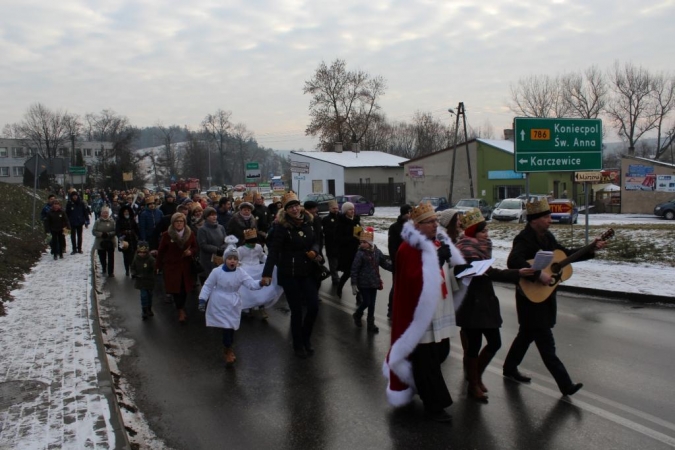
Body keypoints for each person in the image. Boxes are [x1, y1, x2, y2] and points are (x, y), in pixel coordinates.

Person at [502, 198, 606, 396]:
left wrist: (590, 249)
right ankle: (565, 384)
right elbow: (513, 261)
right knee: (546, 344)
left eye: (550, 216)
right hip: (530, 297)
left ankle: (509, 368)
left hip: (545, 295)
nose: (550, 220)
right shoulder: (524, 239)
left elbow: (564, 256)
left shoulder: (548, 238)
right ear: (534, 220)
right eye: (546, 217)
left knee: (526, 335)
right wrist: (536, 273)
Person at [383, 202, 466, 423]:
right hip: (420, 314)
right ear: (418, 225)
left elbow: (444, 274)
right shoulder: (407, 247)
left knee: (440, 352)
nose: (435, 225)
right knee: (427, 359)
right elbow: (412, 279)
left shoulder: (435, 242)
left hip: (439, 309)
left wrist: (457, 268)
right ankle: (434, 405)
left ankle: (421, 386)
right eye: (431, 222)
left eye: (436, 221)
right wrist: (437, 260)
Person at [455, 208, 535, 402]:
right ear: (473, 232)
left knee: (495, 342)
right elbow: (489, 272)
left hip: (486, 301)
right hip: (471, 303)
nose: (487, 235)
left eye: (487, 231)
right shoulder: (464, 249)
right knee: (473, 346)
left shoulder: (482, 248)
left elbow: (488, 272)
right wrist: (518, 273)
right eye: (483, 231)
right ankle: (473, 385)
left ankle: (476, 376)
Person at [261, 192, 322, 359]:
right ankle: (298, 344)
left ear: (300, 206)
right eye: (290, 207)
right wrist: (267, 274)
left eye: (296, 205)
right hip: (289, 274)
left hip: (307, 271)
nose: (294, 209)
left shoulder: (309, 222)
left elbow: (316, 240)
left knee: (313, 307)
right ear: (286, 210)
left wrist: (315, 251)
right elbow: (273, 251)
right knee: (296, 311)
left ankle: (306, 337)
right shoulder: (281, 227)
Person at [198, 238, 266, 365]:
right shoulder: (216, 272)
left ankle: (228, 347)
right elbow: (207, 286)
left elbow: (250, 284)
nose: (232, 261)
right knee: (226, 327)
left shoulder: (240, 272)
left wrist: (260, 283)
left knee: (232, 326)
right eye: (230, 258)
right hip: (219, 301)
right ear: (225, 259)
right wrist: (202, 300)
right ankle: (228, 349)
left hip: (233, 302)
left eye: (235, 259)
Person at [156, 212, 199, 323]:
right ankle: (180, 310)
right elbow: (161, 251)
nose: (179, 224)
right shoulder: (167, 235)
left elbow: (195, 247)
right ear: (173, 223)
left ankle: (181, 306)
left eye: (181, 221)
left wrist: (191, 251)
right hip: (172, 266)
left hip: (186, 266)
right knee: (176, 289)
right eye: (177, 221)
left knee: (184, 289)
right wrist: (158, 265)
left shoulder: (190, 233)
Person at [350, 227, 392, 333]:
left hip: (374, 282)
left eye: (364, 242)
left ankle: (370, 324)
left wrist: (394, 268)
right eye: (361, 242)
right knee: (367, 302)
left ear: (370, 243)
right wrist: (354, 283)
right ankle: (357, 314)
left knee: (372, 304)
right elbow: (354, 268)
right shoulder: (360, 253)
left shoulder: (377, 252)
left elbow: (384, 263)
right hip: (363, 283)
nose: (362, 244)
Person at [387, 204, 412, 317]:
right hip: (399, 262)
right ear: (404, 214)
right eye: (408, 213)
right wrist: (395, 261)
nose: (410, 215)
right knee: (396, 286)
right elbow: (392, 247)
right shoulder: (395, 227)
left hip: (410, 261)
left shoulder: (413, 226)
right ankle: (391, 308)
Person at [237, 228, 268, 320]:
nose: (253, 244)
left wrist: (269, 262)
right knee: (247, 292)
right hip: (246, 271)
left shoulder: (258, 247)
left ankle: (262, 307)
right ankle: (248, 308)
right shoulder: (241, 249)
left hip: (257, 270)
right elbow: (237, 259)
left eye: (254, 242)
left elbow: (262, 256)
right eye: (251, 242)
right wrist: (239, 265)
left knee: (260, 291)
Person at [336, 202, 362, 301]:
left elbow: (359, 233)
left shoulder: (356, 220)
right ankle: (339, 288)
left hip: (356, 251)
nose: (352, 211)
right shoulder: (341, 223)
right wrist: (352, 238)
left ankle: (359, 296)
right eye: (350, 209)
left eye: (353, 209)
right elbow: (338, 239)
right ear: (345, 211)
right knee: (348, 273)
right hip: (346, 252)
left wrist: (363, 236)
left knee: (357, 273)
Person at [197, 207, 227, 283]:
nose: (214, 217)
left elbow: (225, 240)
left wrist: (223, 248)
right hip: (208, 259)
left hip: (220, 257)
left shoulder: (221, 227)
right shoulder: (202, 230)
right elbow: (203, 244)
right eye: (211, 215)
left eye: (215, 215)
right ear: (206, 217)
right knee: (211, 279)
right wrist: (216, 249)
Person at [130, 241, 156, 320]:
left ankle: (149, 308)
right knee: (143, 295)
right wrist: (134, 273)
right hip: (140, 281)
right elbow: (132, 267)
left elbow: (155, 266)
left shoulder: (150, 259)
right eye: (140, 252)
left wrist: (156, 269)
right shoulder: (136, 259)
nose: (142, 254)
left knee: (150, 295)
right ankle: (144, 310)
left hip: (149, 280)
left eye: (144, 252)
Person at [92, 206, 117, 277]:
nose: (105, 214)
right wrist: (101, 234)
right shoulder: (97, 222)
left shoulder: (112, 221)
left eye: (107, 213)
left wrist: (109, 234)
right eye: (104, 213)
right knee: (102, 256)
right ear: (101, 213)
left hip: (110, 241)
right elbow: (94, 231)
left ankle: (110, 272)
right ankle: (104, 267)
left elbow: (115, 231)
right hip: (100, 242)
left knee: (111, 257)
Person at [116, 204, 140, 277]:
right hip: (124, 240)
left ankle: (133, 270)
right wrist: (121, 236)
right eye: (125, 211)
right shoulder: (119, 220)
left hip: (132, 239)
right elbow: (117, 230)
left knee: (133, 256)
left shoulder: (132, 220)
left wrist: (138, 236)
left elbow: (136, 229)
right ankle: (127, 269)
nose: (126, 213)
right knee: (126, 256)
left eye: (127, 211)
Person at [321, 200, 340, 285]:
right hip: (331, 245)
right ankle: (335, 279)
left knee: (340, 263)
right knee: (333, 264)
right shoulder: (326, 219)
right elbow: (327, 232)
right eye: (334, 208)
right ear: (330, 209)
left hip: (339, 245)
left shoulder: (341, 217)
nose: (336, 210)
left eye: (337, 208)